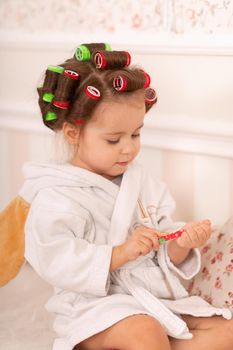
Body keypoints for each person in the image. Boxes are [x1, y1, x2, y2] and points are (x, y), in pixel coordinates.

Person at [19, 43, 233, 350]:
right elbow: (56, 259)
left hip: (152, 299)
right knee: (145, 332)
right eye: (113, 139)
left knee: (227, 329)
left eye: (136, 134)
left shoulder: (142, 183)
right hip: (94, 308)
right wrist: (121, 253)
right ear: (72, 134)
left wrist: (179, 243)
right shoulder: (57, 196)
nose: (128, 148)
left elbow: (163, 248)